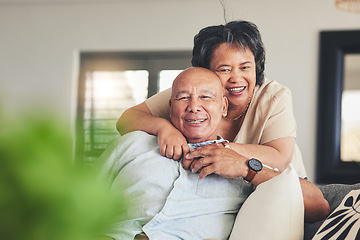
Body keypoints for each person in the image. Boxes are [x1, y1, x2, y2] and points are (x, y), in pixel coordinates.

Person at [98, 67, 330, 240]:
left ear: (224, 107)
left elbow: (319, 205)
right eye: (183, 97)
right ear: (170, 107)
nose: (194, 106)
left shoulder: (240, 167)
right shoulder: (132, 144)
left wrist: (245, 167)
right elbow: (76, 202)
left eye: (206, 97)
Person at [116, 20, 307, 178]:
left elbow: (280, 157)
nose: (237, 78)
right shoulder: (190, 94)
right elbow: (126, 120)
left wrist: (221, 151)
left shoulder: (274, 96)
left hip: (282, 183)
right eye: (224, 69)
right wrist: (162, 127)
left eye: (245, 67)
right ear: (205, 72)